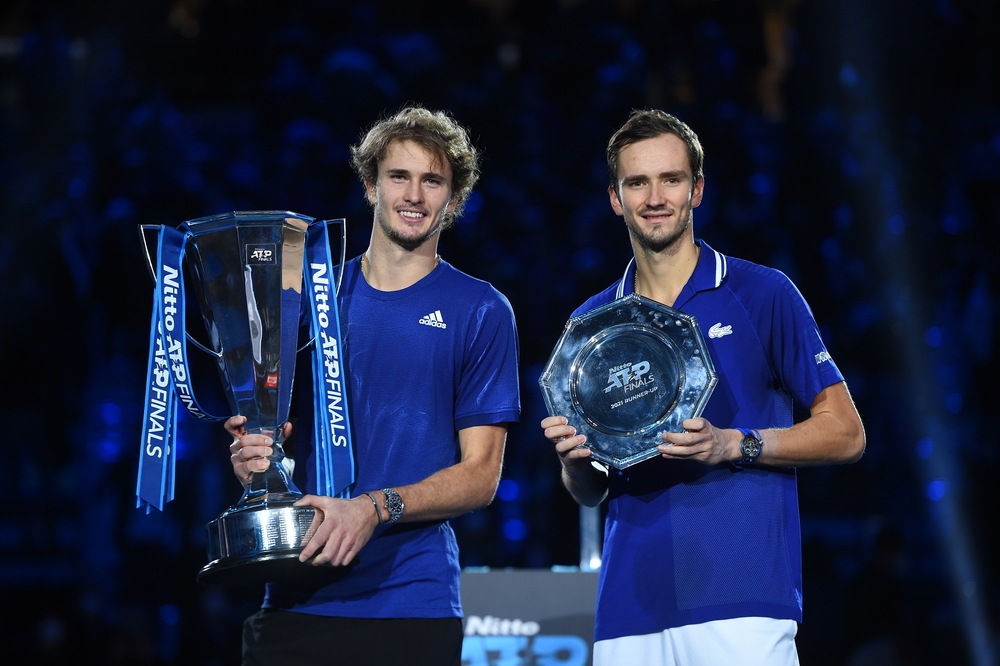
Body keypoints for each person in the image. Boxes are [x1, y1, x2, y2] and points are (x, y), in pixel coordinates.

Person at [541, 109, 865, 665]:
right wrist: (574, 463)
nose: (655, 197)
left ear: (697, 190)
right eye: (636, 182)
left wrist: (733, 444)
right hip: (628, 607)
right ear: (616, 199)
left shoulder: (761, 293)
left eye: (671, 179)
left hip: (741, 599)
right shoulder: (593, 324)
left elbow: (847, 433)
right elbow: (591, 490)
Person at [226, 106, 521, 666]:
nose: (414, 194)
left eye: (432, 181)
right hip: (295, 596)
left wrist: (374, 508)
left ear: (453, 200)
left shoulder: (481, 310)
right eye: (399, 176)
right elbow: (273, 438)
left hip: (411, 604)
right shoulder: (305, 300)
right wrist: (255, 462)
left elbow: (481, 477)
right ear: (370, 186)